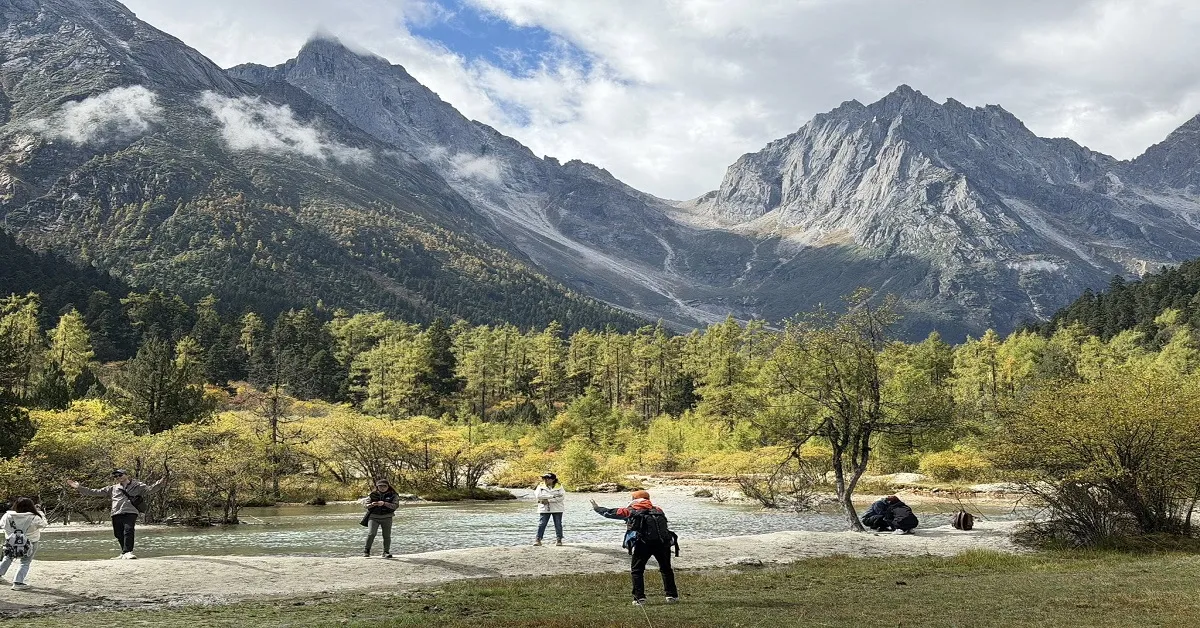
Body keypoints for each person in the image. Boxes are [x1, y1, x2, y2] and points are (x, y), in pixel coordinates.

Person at [592, 490, 679, 606]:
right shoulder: (658, 509)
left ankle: (639, 598)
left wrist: (597, 508)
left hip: (643, 543)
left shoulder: (631, 510)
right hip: (663, 543)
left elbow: (610, 513)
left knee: (637, 570)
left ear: (634, 499)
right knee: (666, 569)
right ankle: (672, 595)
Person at [66, 469, 167, 559]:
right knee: (118, 533)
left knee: (128, 530)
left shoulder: (137, 485)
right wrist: (79, 487)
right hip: (116, 512)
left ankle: (128, 552)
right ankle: (124, 552)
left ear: (126, 475)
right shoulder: (112, 488)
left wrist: (160, 483)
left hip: (130, 511)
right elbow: (95, 492)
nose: (118, 477)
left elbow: (150, 489)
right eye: (116, 476)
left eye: (120, 475)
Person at [1, 498, 47, 590]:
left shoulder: (7, 516)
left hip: (11, 543)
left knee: (7, 558)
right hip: (30, 543)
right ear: (31, 506)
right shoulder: (35, 517)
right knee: (25, 562)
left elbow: (2, 525)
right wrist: (40, 512)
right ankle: (18, 583)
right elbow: (44, 524)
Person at [363, 478, 399, 558]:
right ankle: (366, 551)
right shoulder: (372, 494)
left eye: (384, 486)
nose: (382, 488)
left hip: (387, 517)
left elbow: (395, 506)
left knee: (386, 535)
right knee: (371, 533)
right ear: (377, 487)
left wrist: (384, 503)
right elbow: (365, 505)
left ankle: (386, 552)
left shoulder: (393, 495)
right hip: (373, 517)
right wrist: (372, 504)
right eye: (380, 486)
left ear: (388, 487)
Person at [534, 472, 565, 546]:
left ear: (553, 479)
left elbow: (561, 498)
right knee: (542, 524)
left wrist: (548, 500)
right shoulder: (540, 486)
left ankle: (559, 540)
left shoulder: (559, 486)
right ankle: (538, 539)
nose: (545, 480)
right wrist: (553, 496)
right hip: (544, 508)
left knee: (558, 524)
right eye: (544, 478)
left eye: (547, 478)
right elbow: (538, 496)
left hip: (557, 508)